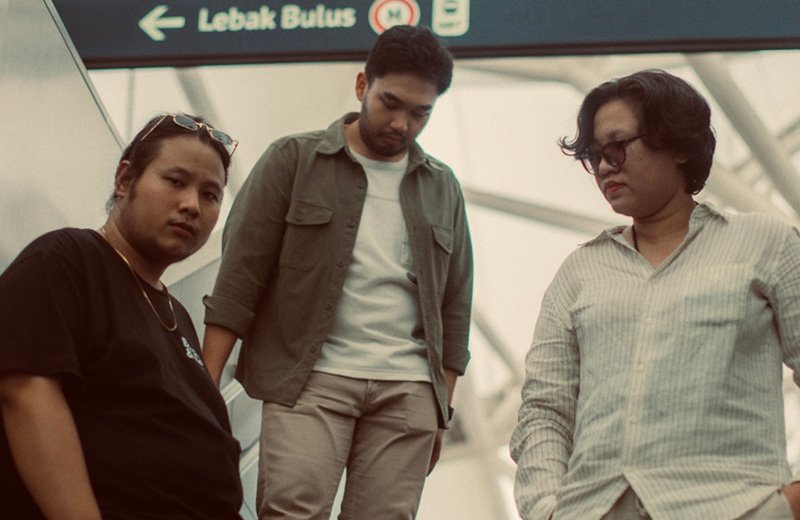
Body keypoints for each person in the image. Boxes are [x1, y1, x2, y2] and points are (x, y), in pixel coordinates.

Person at [202, 24, 473, 519]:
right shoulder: (293, 160)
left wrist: (441, 411)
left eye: (420, 112)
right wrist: (204, 388)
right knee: (291, 512)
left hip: (409, 388)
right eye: (390, 102)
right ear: (362, 85)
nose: (402, 123)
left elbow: (455, 305)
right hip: (308, 379)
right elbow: (239, 278)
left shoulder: (443, 187)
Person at [510, 69, 800, 520]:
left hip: (733, 507)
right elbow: (545, 411)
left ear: (679, 144)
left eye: (617, 147)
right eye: (593, 156)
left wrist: (789, 504)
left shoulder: (767, 244)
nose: (604, 166)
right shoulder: (579, 272)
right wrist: (547, 508)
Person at [0, 113, 244, 519]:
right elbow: (26, 391)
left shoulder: (178, 316)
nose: (191, 205)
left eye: (210, 195)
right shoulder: (67, 259)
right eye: (175, 181)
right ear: (125, 180)